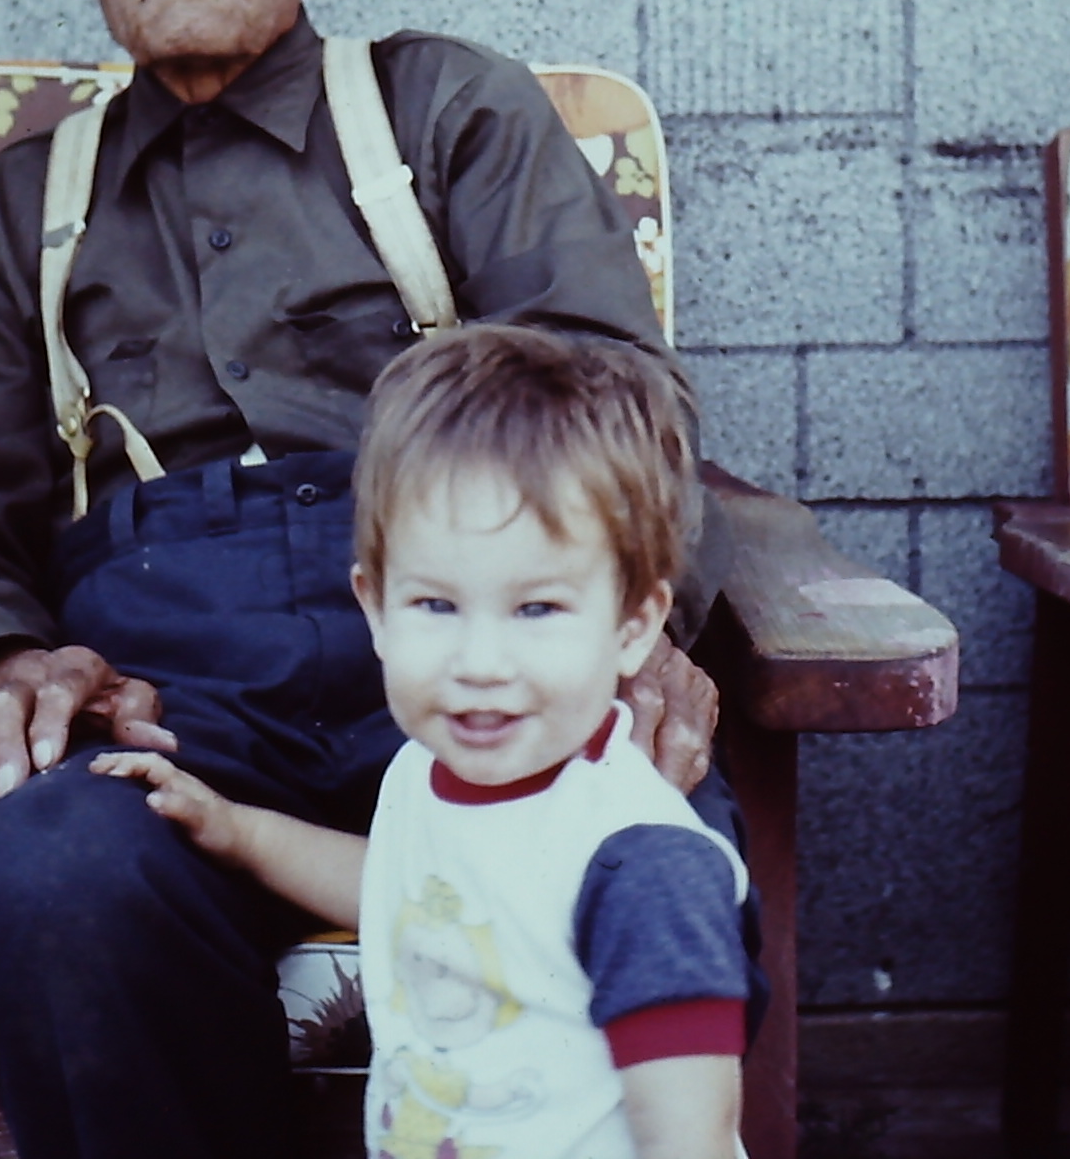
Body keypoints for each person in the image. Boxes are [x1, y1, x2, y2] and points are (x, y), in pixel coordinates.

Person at [0, 0, 725, 1158]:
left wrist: (633, 627)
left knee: (626, 849)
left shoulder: (452, 114)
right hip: (163, 692)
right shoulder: (25, 207)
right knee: (51, 871)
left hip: (464, 640)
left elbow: (621, 405)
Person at [95, 324, 749, 1159]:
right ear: (374, 608)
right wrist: (239, 831)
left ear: (632, 627)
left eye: (537, 610)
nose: (480, 664)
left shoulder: (639, 859)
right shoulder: (424, 773)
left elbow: (689, 1137)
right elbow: (405, 887)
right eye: (436, 606)